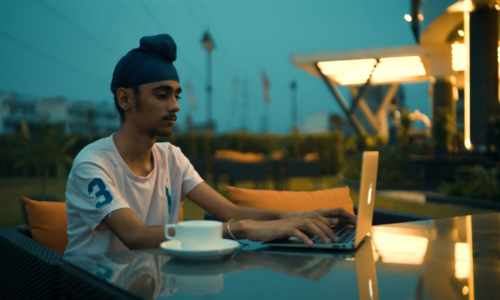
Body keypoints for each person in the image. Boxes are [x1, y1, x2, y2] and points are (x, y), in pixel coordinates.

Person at [64, 34, 356, 256]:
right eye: (162, 95)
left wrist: (303, 216)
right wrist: (238, 230)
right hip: (96, 286)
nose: (175, 106)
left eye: (177, 95)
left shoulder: (171, 157)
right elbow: (135, 235)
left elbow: (230, 211)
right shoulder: (93, 164)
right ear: (125, 99)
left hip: (156, 284)